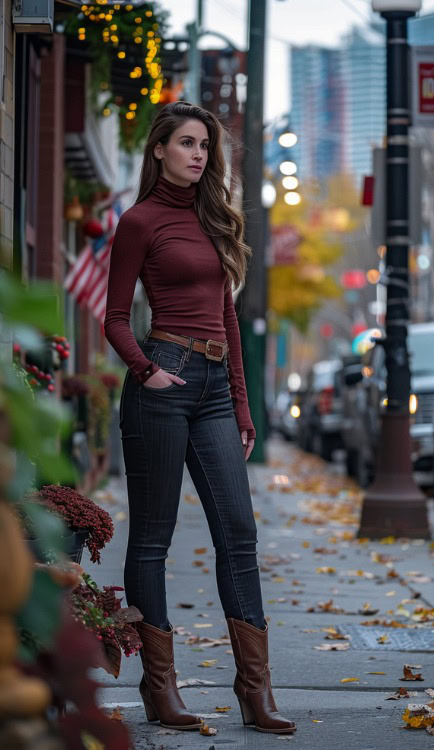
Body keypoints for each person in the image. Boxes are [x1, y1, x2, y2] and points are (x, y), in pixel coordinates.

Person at [104, 101, 295, 735]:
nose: (198, 155)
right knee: (151, 543)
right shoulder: (139, 222)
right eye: (186, 143)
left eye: (205, 146)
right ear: (159, 148)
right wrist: (146, 370)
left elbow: (228, 319)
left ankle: (255, 692)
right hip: (162, 379)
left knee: (238, 533)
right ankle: (160, 689)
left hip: (213, 388)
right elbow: (112, 318)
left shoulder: (215, 220)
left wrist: (242, 404)